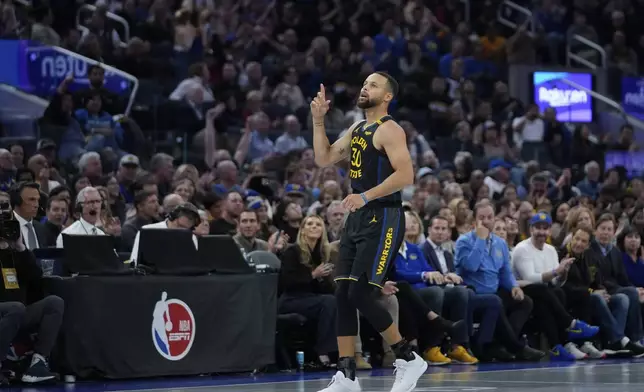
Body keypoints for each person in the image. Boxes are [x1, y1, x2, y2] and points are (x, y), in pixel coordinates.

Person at [311, 72, 426, 392]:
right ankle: (346, 376)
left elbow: (406, 175)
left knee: (360, 292)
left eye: (373, 85)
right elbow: (323, 158)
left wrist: (364, 195)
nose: (365, 87)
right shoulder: (357, 128)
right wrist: (318, 121)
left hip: (384, 216)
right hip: (358, 218)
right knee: (343, 294)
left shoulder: (390, 130)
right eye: (364, 83)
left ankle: (408, 358)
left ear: (387, 96)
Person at [455, 200, 545, 361]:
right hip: (472, 294)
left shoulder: (500, 243)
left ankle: (498, 345)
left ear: (494, 218)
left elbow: (505, 271)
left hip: (494, 291)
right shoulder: (464, 241)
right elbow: (471, 266)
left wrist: (513, 286)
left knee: (525, 302)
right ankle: (511, 347)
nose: (486, 221)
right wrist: (480, 240)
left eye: (490, 217)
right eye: (481, 217)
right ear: (474, 220)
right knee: (495, 301)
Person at [511, 212, 600, 361]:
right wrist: (555, 272)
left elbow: (555, 282)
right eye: (538, 228)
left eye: (545, 228)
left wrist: (563, 273)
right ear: (531, 229)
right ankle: (570, 325)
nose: (541, 232)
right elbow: (530, 278)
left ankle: (559, 346)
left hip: (542, 294)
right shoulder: (522, 248)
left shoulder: (551, 250)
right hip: (521, 291)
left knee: (562, 293)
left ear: (549, 231)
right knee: (544, 291)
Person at [0, 213, 62, 383]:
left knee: (54, 303)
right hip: (6, 310)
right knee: (15, 307)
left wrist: (20, 248)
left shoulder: (14, 253)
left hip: (17, 312)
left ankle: (37, 364)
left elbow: (36, 277)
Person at [278, 215, 338, 367]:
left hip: (311, 299)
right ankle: (323, 352)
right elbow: (287, 282)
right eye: (309, 224)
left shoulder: (321, 253)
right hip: (291, 300)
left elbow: (323, 289)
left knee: (337, 299)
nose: (314, 226)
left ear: (322, 230)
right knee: (329, 301)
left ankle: (344, 353)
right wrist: (313, 275)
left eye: (318, 224)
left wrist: (325, 279)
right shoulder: (292, 251)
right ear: (302, 230)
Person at [129, 202, 200, 265]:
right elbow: (134, 261)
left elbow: (192, 265)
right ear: (171, 217)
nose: (182, 230)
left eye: (187, 229)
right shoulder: (146, 230)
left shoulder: (191, 237)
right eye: (180, 226)